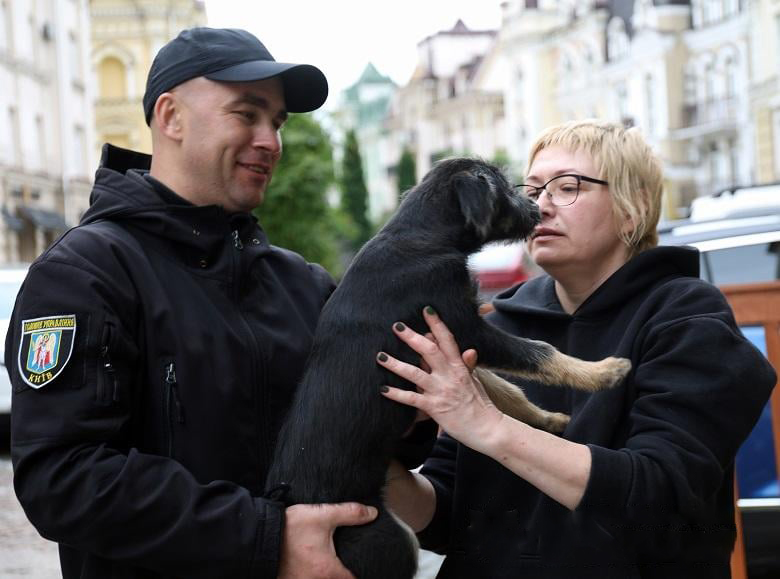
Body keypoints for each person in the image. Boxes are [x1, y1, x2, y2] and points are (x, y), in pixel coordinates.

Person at [7, 27, 377, 579]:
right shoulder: (86, 274)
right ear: (171, 117)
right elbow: (63, 478)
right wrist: (268, 539)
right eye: (246, 114)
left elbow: (361, 433)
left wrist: (416, 399)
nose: (270, 140)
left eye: (276, 123)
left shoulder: (303, 284)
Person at [379, 120, 776, 578]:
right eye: (530, 191)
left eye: (567, 187)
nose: (540, 206)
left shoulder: (687, 320)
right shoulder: (503, 326)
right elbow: (447, 513)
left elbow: (661, 498)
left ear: (633, 209)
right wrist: (374, 461)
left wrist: (488, 424)